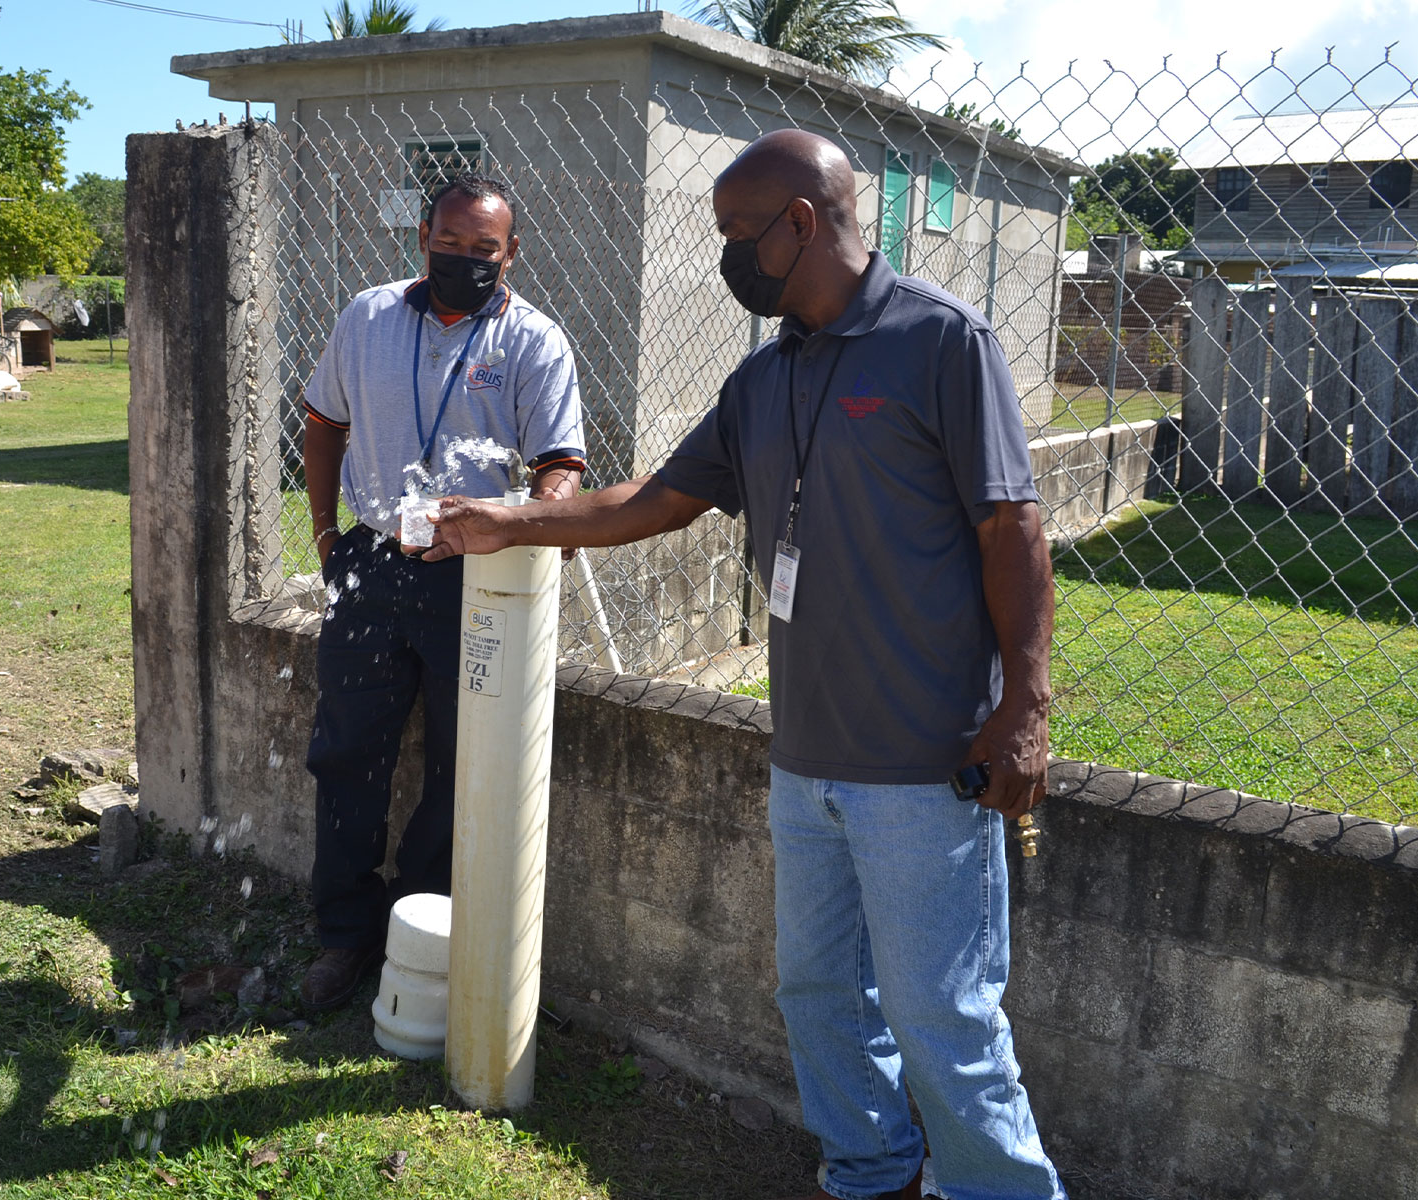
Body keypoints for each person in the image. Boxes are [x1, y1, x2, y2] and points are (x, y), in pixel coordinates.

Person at [428, 131, 1065, 1200]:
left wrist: (1028, 709)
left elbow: (1014, 528)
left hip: (926, 760)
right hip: (804, 757)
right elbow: (650, 502)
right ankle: (871, 1175)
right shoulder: (763, 377)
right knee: (818, 994)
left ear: (802, 225)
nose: (727, 259)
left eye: (737, 235)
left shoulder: (944, 342)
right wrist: (510, 521)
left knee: (943, 1019)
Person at [297, 172, 586, 1010]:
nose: (466, 260)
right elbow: (323, 425)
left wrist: (545, 519)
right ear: (422, 237)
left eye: (484, 251)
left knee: (463, 770)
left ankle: (419, 941)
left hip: (478, 576)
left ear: (512, 253)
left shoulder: (533, 342)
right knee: (347, 753)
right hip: (372, 566)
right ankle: (342, 937)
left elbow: (559, 462)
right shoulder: (368, 317)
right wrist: (326, 538)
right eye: (450, 244)